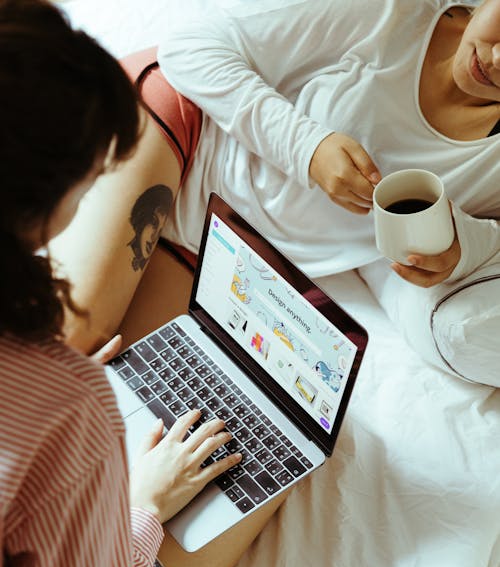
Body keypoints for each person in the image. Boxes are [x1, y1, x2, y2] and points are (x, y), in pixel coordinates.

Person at [0, 0, 289, 567]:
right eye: (95, 178)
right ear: (44, 212)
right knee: (266, 460)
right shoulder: (70, 406)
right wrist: (140, 510)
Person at [51, 0, 500, 387]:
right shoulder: (387, 13)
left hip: (227, 250)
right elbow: (188, 49)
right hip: (185, 132)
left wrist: (461, 251)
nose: (497, 60)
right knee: (73, 339)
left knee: (122, 400)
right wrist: (307, 148)